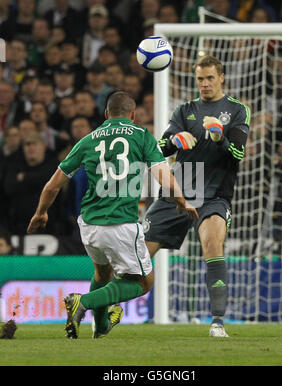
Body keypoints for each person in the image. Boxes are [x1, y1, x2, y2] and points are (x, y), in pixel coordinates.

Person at [27, 91, 198, 339]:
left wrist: (40, 212)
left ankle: (101, 326)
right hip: (121, 223)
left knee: (102, 274)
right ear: (133, 114)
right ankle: (82, 301)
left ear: (106, 114)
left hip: (88, 224)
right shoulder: (142, 136)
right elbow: (164, 178)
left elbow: (53, 185)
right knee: (143, 283)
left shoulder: (88, 139)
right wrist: (182, 202)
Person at [144, 55, 251, 337]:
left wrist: (220, 137)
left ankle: (217, 322)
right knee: (139, 259)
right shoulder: (184, 110)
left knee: (212, 243)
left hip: (215, 196)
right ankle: (103, 311)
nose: (204, 84)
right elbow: (158, 149)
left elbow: (238, 153)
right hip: (177, 195)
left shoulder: (237, 111)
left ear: (222, 77)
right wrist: (174, 141)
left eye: (210, 78)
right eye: (200, 79)